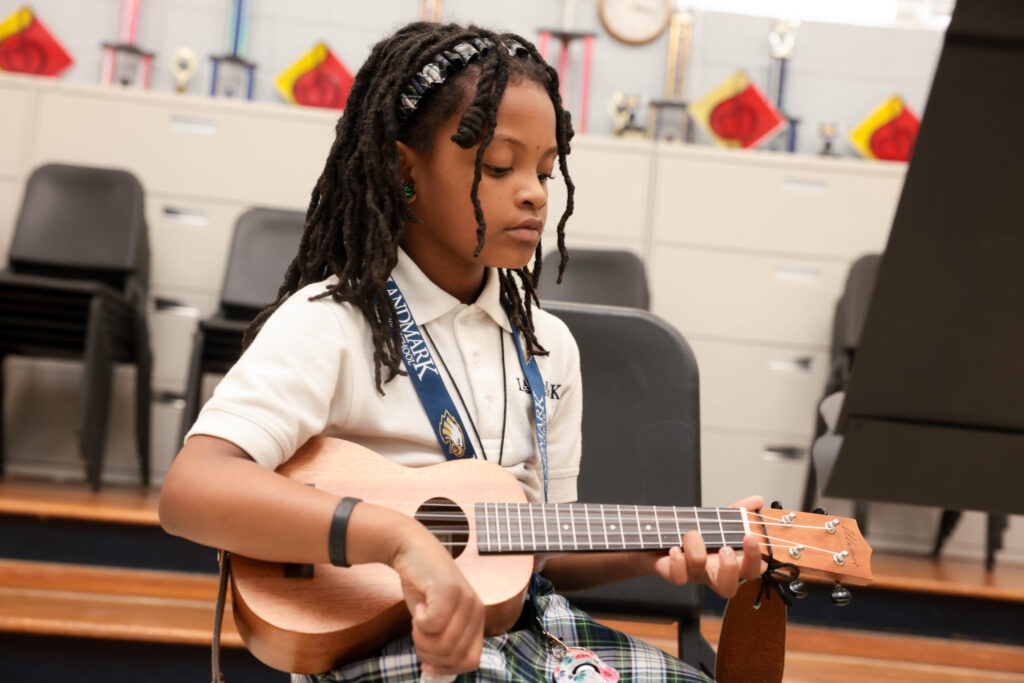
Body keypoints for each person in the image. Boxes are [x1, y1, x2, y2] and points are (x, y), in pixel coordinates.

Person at [159, 21, 763, 683]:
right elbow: (192, 489)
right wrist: (400, 541)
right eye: (500, 166)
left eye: (544, 170)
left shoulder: (548, 348)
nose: (533, 191)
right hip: (380, 652)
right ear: (403, 169)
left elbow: (544, 546)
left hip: (522, 633)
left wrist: (650, 551)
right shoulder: (331, 322)